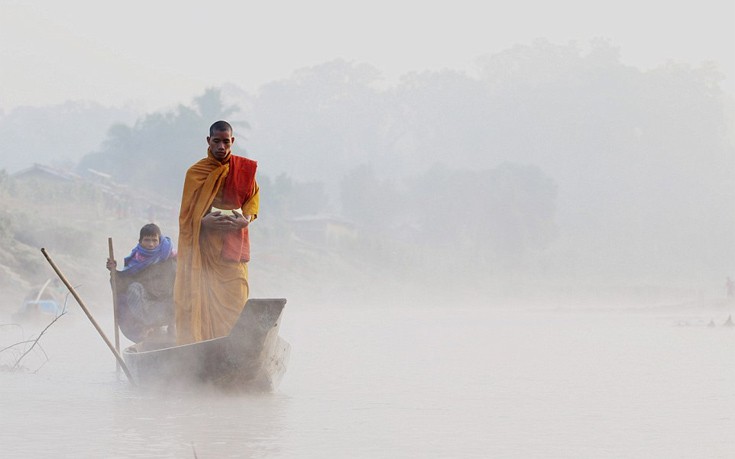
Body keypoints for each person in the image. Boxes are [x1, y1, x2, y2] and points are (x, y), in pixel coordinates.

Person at [174, 120, 259, 344]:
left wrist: (246, 219)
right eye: (216, 141)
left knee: (238, 299)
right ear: (208, 141)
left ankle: (237, 348)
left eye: (226, 142)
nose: (221, 147)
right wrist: (203, 221)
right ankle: (205, 350)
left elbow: (252, 199)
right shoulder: (196, 173)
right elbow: (185, 217)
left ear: (232, 141)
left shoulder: (244, 170)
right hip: (205, 252)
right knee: (203, 301)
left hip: (233, 249)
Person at [107, 223, 177, 342]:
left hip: (169, 302)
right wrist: (113, 271)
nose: (151, 244)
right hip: (148, 305)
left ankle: (172, 328)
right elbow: (123, 285)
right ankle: (149, 329)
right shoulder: (136, 261)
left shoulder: (170, 258)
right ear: (140, 241)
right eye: (147, 240)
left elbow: (180, 280)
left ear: (159, 241)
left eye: (154, 240)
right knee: (133, 289)